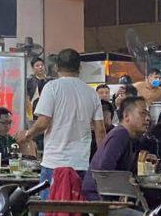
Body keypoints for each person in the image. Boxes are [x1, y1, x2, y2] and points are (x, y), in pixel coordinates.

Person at [19, 49, 106, 185]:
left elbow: (43, 123)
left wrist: (27, 135)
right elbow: (100, 131)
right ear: (80, 67)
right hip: (81, 164)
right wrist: (101, 162)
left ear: (56, 67)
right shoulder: (91, 93)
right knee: (77, 199)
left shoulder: (52, 87)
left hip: (54, 163)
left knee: (51, 199)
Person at [25, 57, 49, 122]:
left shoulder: (50, 81)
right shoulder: (29, 81)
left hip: (47, 111)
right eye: (37, 66)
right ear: (33, 68)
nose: (40, 67)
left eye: (42, 65)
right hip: (33, 112)